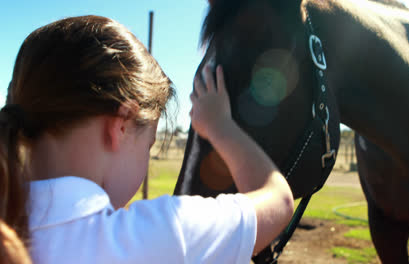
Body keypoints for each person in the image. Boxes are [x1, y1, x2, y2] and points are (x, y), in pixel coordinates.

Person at [0, 15, 294, 263]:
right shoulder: (161, 235)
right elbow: (278, 201)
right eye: (149, 145)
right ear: (121, 126)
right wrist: (220, 126)